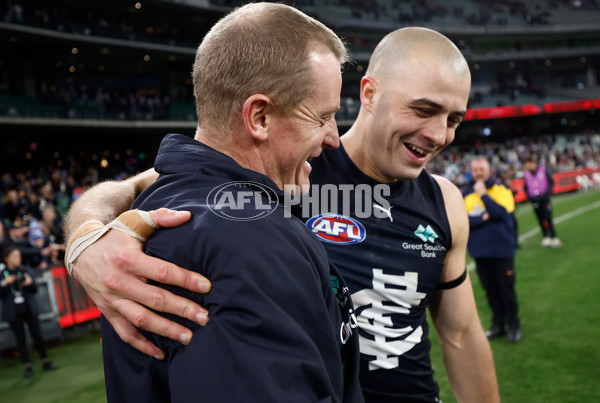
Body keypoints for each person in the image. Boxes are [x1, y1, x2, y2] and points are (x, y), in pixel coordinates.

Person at [65, 26, 500, 402]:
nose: (440, 134)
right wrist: (84, 240)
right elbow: (136, 187)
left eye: (455, 119)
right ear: (369, 92)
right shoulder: (291, 168)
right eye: (423, 110)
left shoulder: (442, 201)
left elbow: (460, 335)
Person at [67, 3, 363, 402]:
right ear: (258, 117)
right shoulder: (252, 238)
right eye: (322, 116)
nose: (333, 137)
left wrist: (84, 229)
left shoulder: (167, 196)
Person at [463, 157, 522, 344]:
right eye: (475, 169)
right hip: (480, 253)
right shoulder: (466, 193)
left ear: (489, 170)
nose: (478, 173)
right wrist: (484, 218)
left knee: (507, 291)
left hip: (502, 251)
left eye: (481, 169)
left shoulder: (501, 189)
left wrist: (484, 196)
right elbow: (464, 221)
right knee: (491, 292)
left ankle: (514, 325)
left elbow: (501, 214)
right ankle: (498, 325)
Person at [0, 244, 58, 378]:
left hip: (28, 308)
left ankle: (45, 361)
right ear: (6, 258)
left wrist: (29, 283)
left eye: (19, 255)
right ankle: (27, 366)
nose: (18, 258)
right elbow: (1, 294)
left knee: (37, 335)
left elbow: (34, 289)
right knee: (20, 339)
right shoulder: (3, 275)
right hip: (13, 311)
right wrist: (5, 283)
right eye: (14, 256)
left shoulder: (25, 270)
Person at [523, 156, 562, 248]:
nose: (527, 166)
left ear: (533, 163)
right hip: (535, 200)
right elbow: (526, 188)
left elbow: (551, 182)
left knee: (548, 218)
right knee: (540, 219)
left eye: (528, 164)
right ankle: (545, 237)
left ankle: (554, 237)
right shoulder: (527, 174)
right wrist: (530, 197)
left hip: (545, 199)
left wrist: (547, 194)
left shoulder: (543, 169)